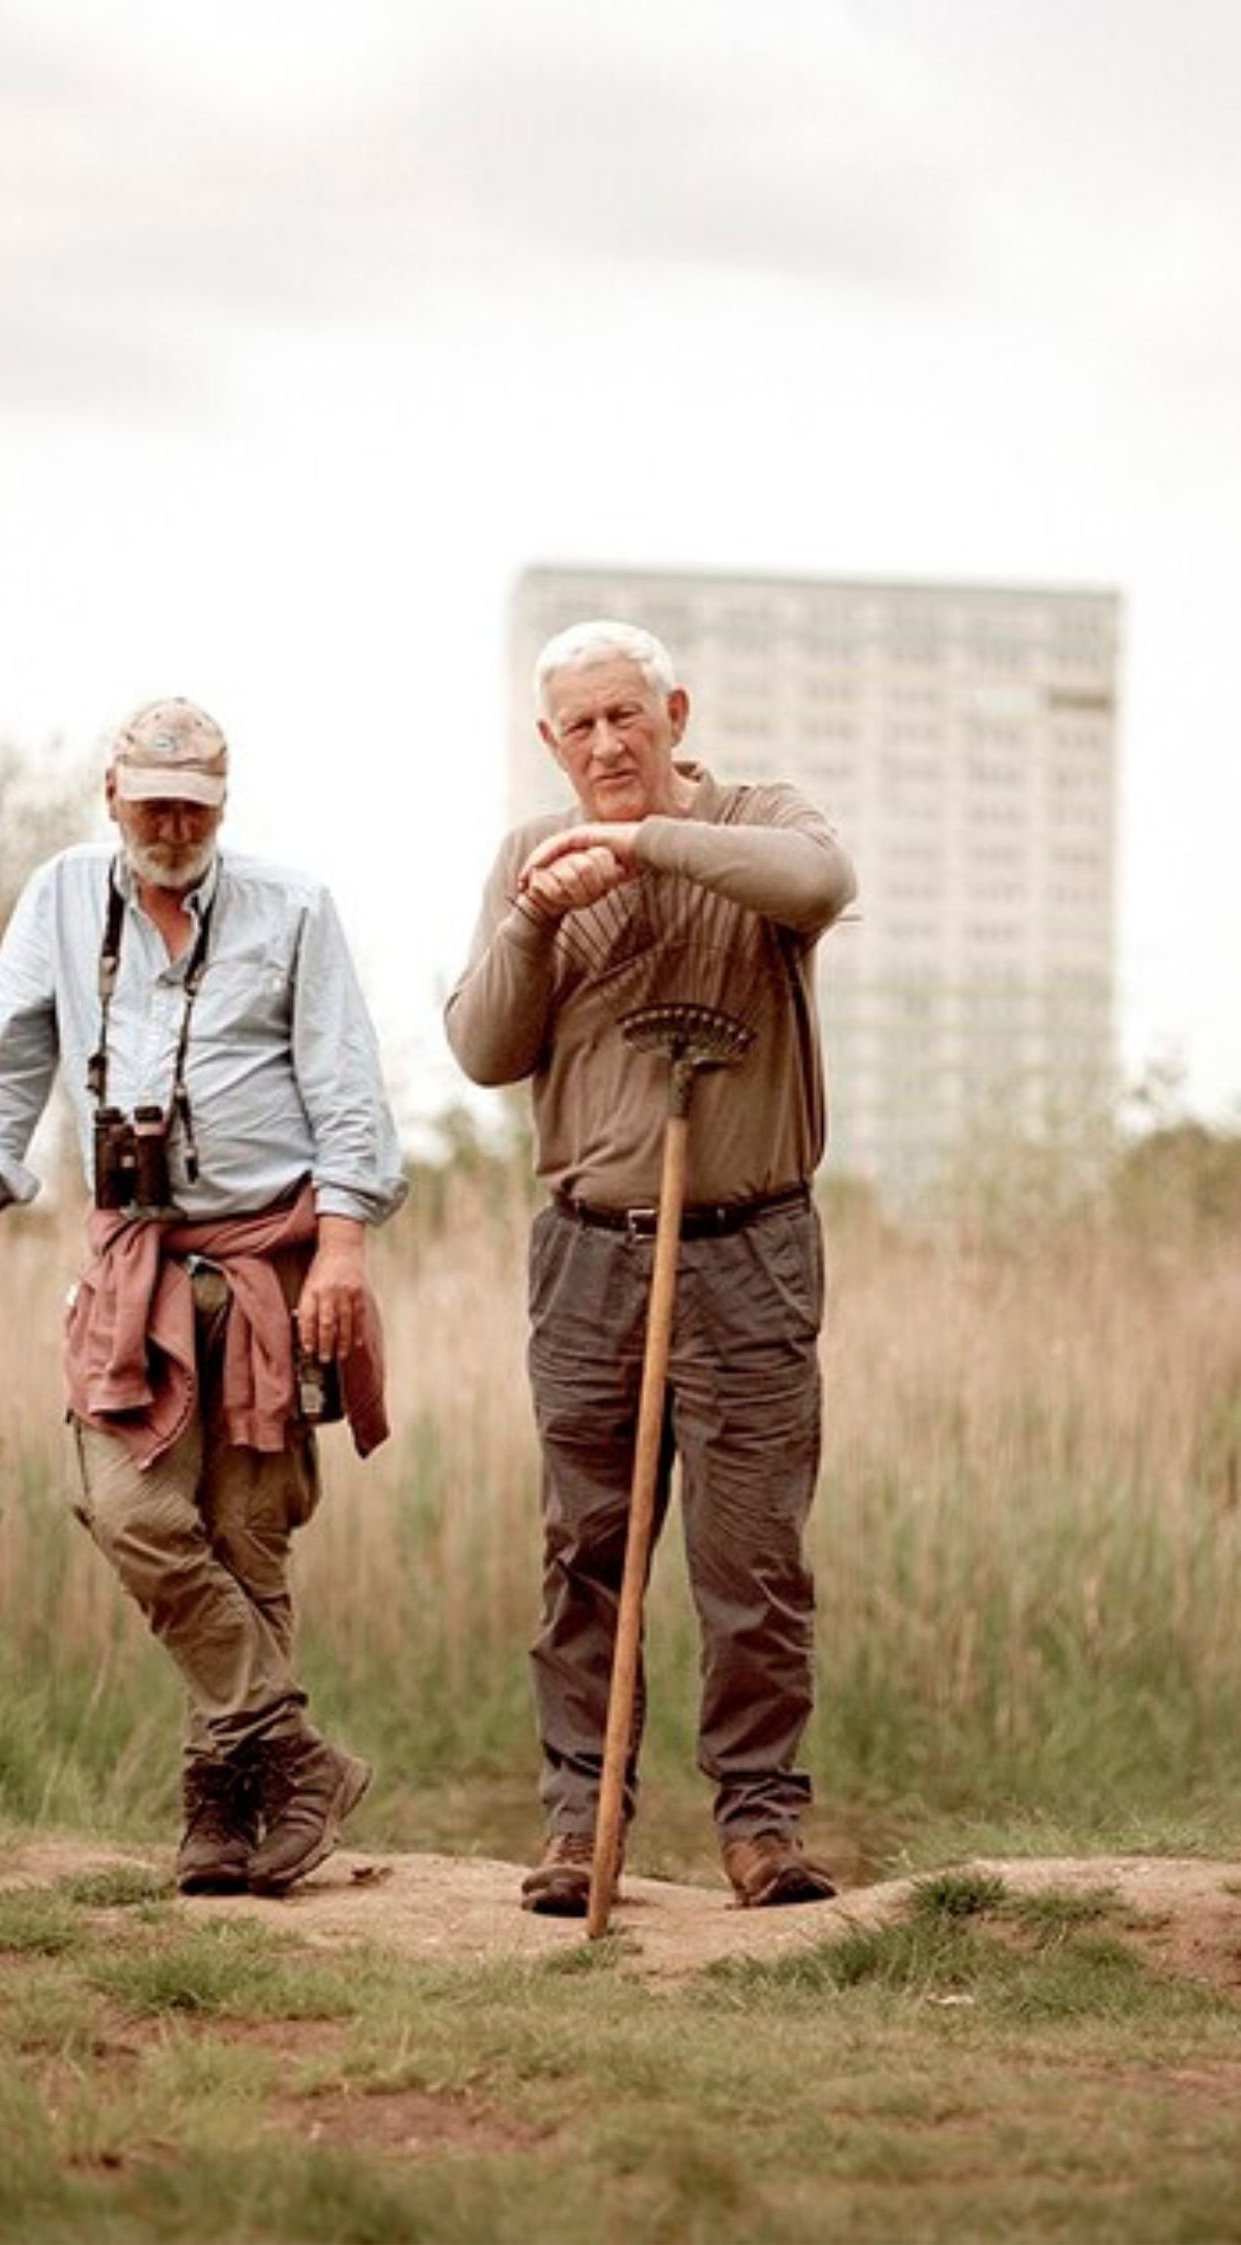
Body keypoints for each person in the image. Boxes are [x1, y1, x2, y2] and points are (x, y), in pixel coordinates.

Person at [0, 696, 406, 1898]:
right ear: (107, 792)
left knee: (248, 1536)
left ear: (225, 804)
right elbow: (9, 1065)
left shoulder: (296, 908)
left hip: (273, 1261)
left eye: (194, 805)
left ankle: (227, 1824)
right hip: (135, 1264)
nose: (172, 824)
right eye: (152, 800)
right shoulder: (61, 898)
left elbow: (346, 1086)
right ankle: (293, 1747)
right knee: (125, 1508)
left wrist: (343, 1250)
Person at [445, 620, 856, 1916]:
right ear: (547, 742)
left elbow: (815, 883)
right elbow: (479, 1046)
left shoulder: (756, 819)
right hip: (589, 1257)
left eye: (628, 715)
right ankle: (578, 1824)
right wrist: (529, 919)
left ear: (673, 710)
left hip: (748, 1251)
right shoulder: (527, 857)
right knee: (586, 1556)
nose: (607, 743)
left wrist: (638, 844)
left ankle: (758, 1826)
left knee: (750, 1561)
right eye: (580, 726)